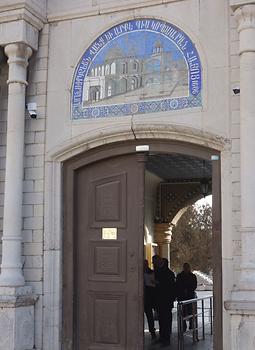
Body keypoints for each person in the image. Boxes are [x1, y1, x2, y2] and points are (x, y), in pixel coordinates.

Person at [152, 255, 176, 347]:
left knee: (166, 320)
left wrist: (158, 283)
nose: (153, 264)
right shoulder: (157, 271)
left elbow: (170, 287)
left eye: (154, 262)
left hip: (166, 301)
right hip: (159, 300)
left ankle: (167, 339)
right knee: (161, 320)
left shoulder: (168, 273)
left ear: (159, 261)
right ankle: (162, 337)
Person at [176, 263, 197, 332]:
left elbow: (194, 285)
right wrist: (183, 290)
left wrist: (188, 290)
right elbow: (178, 285)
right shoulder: (179, 276)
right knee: (182, 312)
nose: (186, 268)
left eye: (187, 267)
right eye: (185, 267)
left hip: (190, 296)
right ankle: (183, 326)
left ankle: (191, 325)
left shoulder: (193, 276)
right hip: (182, 297)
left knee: (191, 311)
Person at [144, 259, 157, 340]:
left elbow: (154, 286)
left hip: (148, 298)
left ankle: (152, 331)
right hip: (139, 298)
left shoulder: (151, 272)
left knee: (149, 316)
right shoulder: (137, 272)